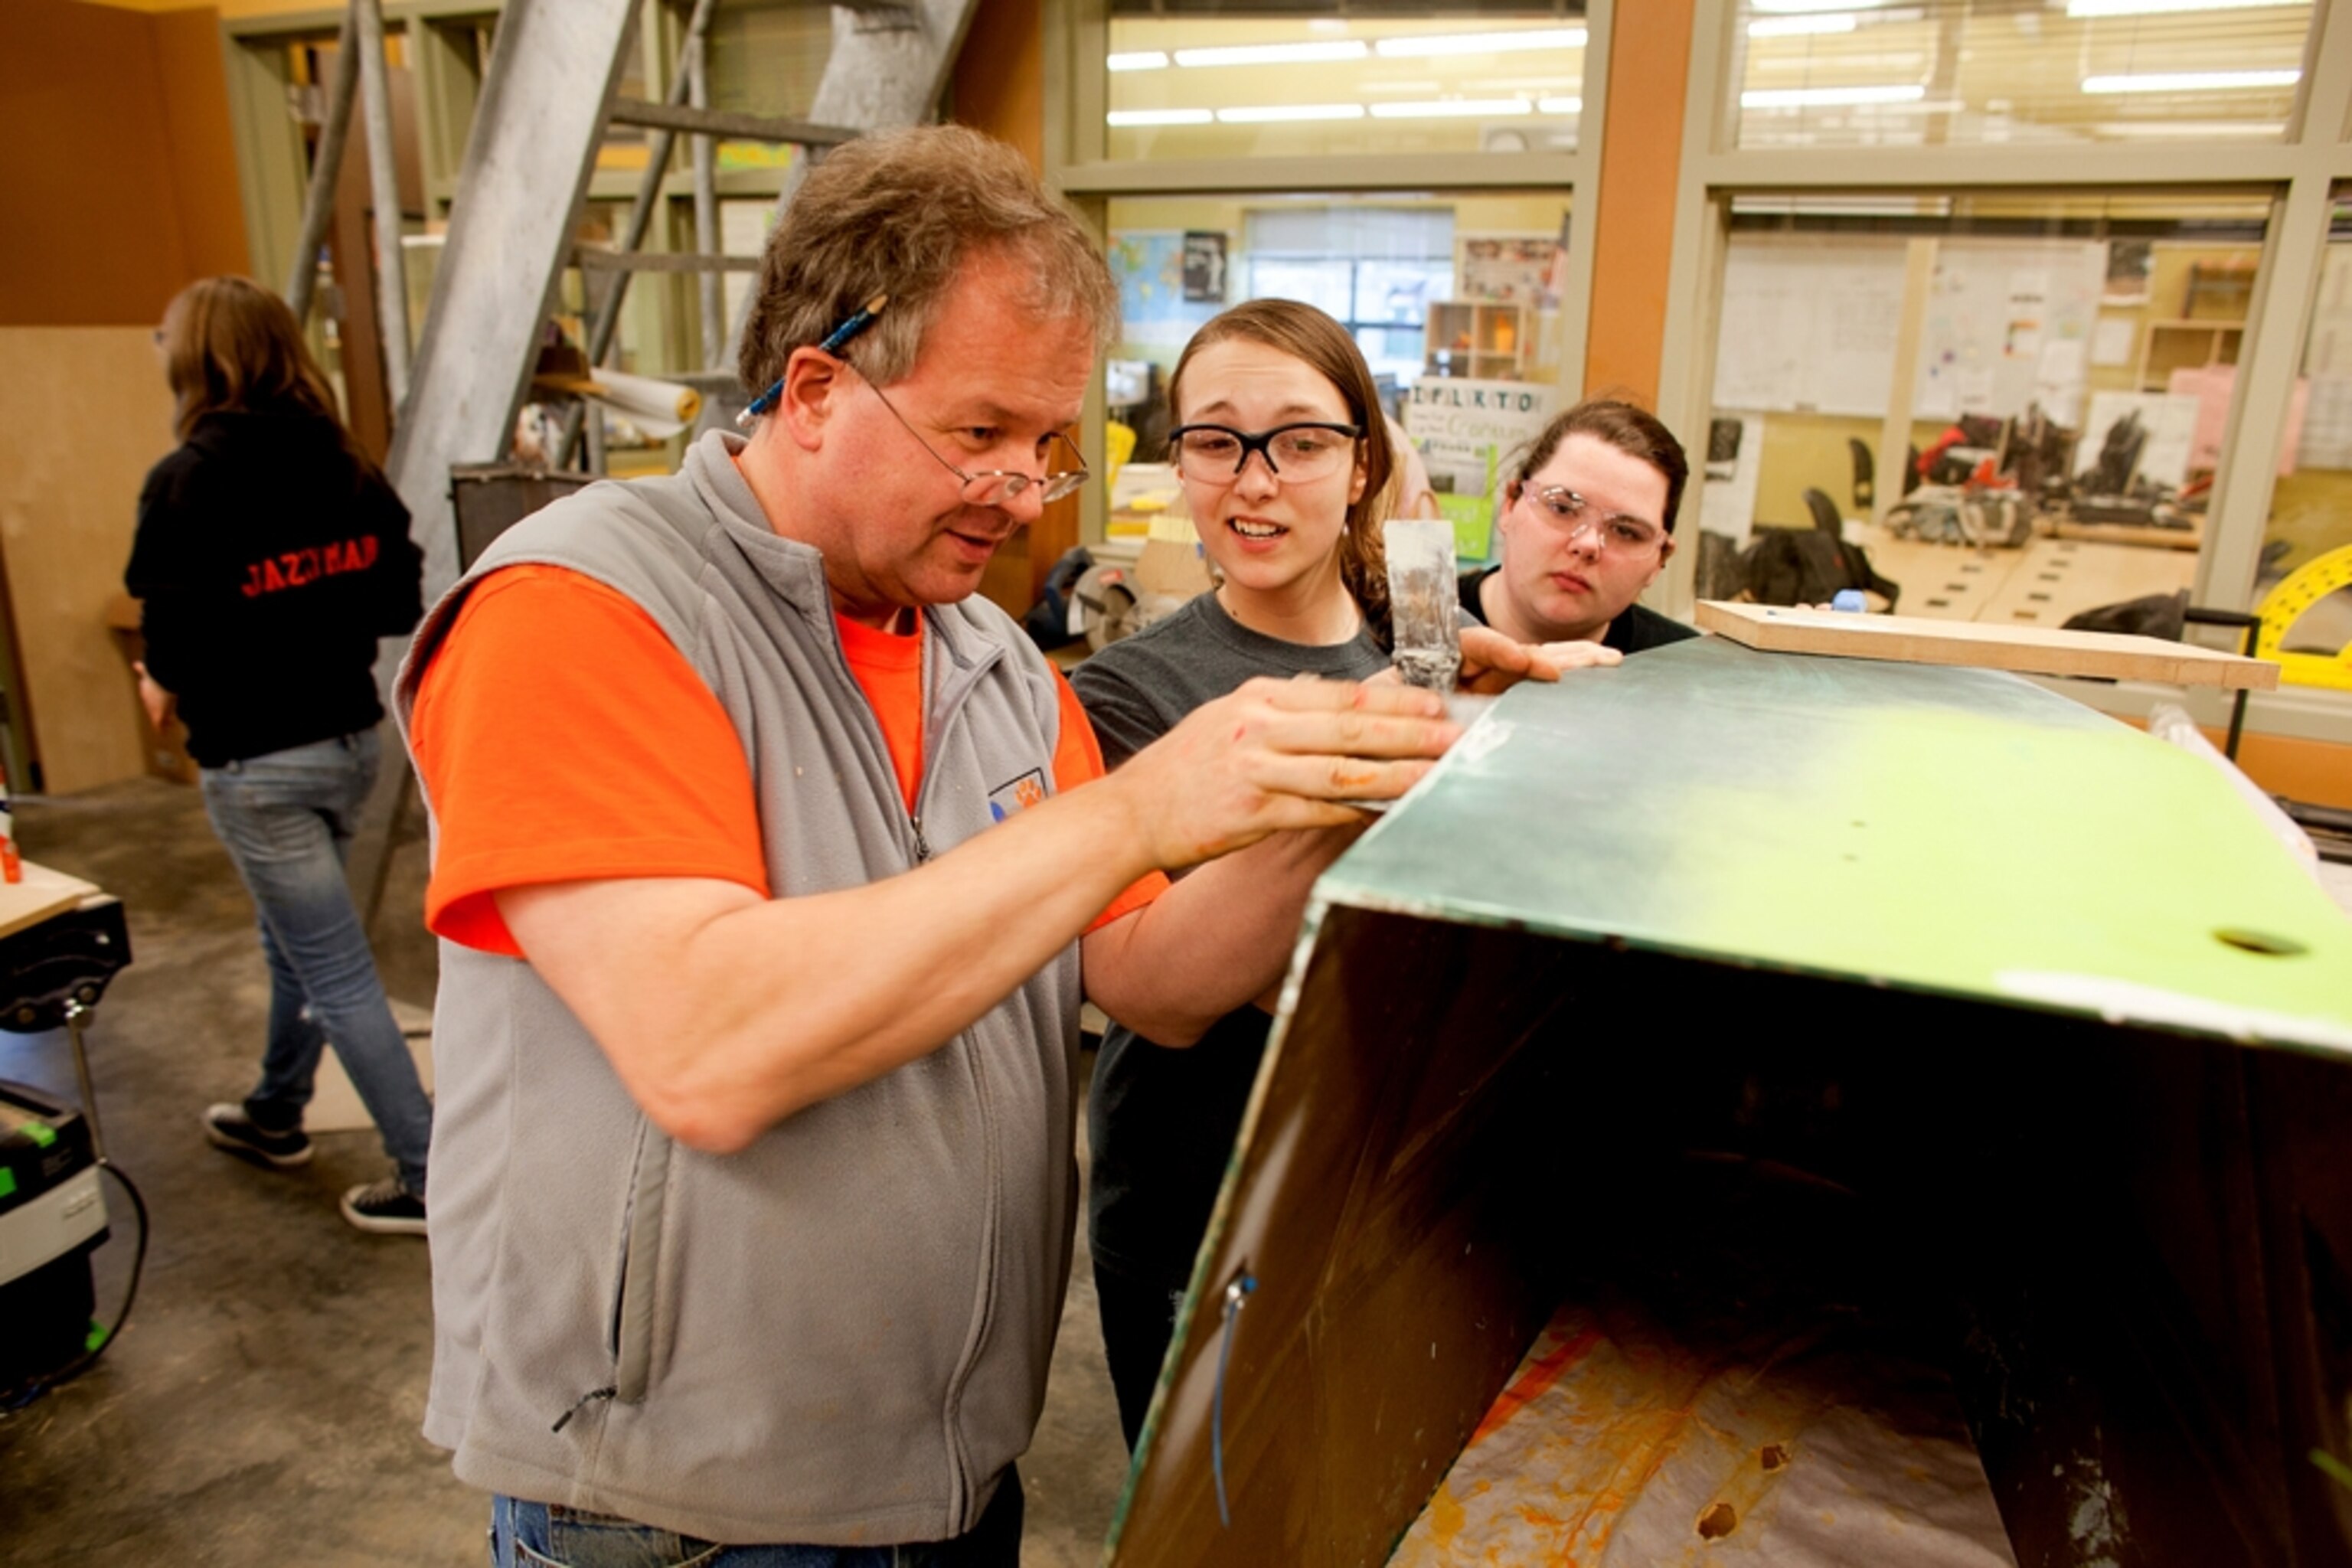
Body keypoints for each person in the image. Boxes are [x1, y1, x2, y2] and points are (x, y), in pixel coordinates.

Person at [394, 126, 1477, 1566]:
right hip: (684, 1514)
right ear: (816, 388)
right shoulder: (583, 603)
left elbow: (1149, 976)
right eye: (979, 434)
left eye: (1047, 445)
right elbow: (704, 1040)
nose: (1024, 494)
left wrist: (1356, 776)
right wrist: (1142, 805)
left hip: (950, 1475)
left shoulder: (989, 661)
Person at [1070, 299, 1619, 1448]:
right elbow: (1164, 996)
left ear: (1364, 461)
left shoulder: (1416, 644)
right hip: (1205, 1216)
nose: (1255, 482)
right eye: (1215, 440)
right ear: (1178, 464)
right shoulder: (1127, 694)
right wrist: (1399, 749)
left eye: (1303, 442)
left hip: (1391, 1203)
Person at [122, 275, 435, 1236]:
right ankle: (274, 1111)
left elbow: (168, 644)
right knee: (298, 941)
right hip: (349, 745)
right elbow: (395, 601)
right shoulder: (342, 461)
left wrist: (160, 679)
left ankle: (430, 1174)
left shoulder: (187, 480)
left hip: (259, 766)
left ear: (196, 359)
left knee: (337, 969)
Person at [1459, 398, 1700, 655]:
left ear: (1659, 559)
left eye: (1626, 531)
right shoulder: (1417, 624)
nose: (1587, 544)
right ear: (1511, 504)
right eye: (1562, 508)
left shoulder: (1687, 674)